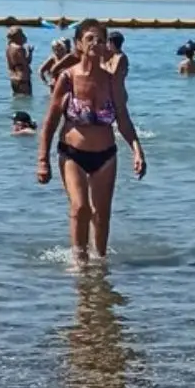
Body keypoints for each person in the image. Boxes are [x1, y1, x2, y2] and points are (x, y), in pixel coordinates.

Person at [37, 19, 147, 263]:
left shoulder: (111, 81)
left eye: (100, 39)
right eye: (90, 39)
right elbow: (50, 122)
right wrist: (42, 160)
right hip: (72, 153)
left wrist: (137, 151)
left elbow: (124, 120)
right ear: (79, 44)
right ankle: (79, 261)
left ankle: (100, 262)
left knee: (102, 214)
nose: (96, 43)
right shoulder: (67, 79)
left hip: (105, 155)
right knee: (80, 208)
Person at [5, 27, 34, 96]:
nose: (24, 36)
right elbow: (27, 62)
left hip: (13, 79)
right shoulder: (20, 48)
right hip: (23, 79)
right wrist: (30, 52)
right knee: (26, 103)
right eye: (22, 34)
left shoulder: (8, 48)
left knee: (17, 101)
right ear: (18, 37)